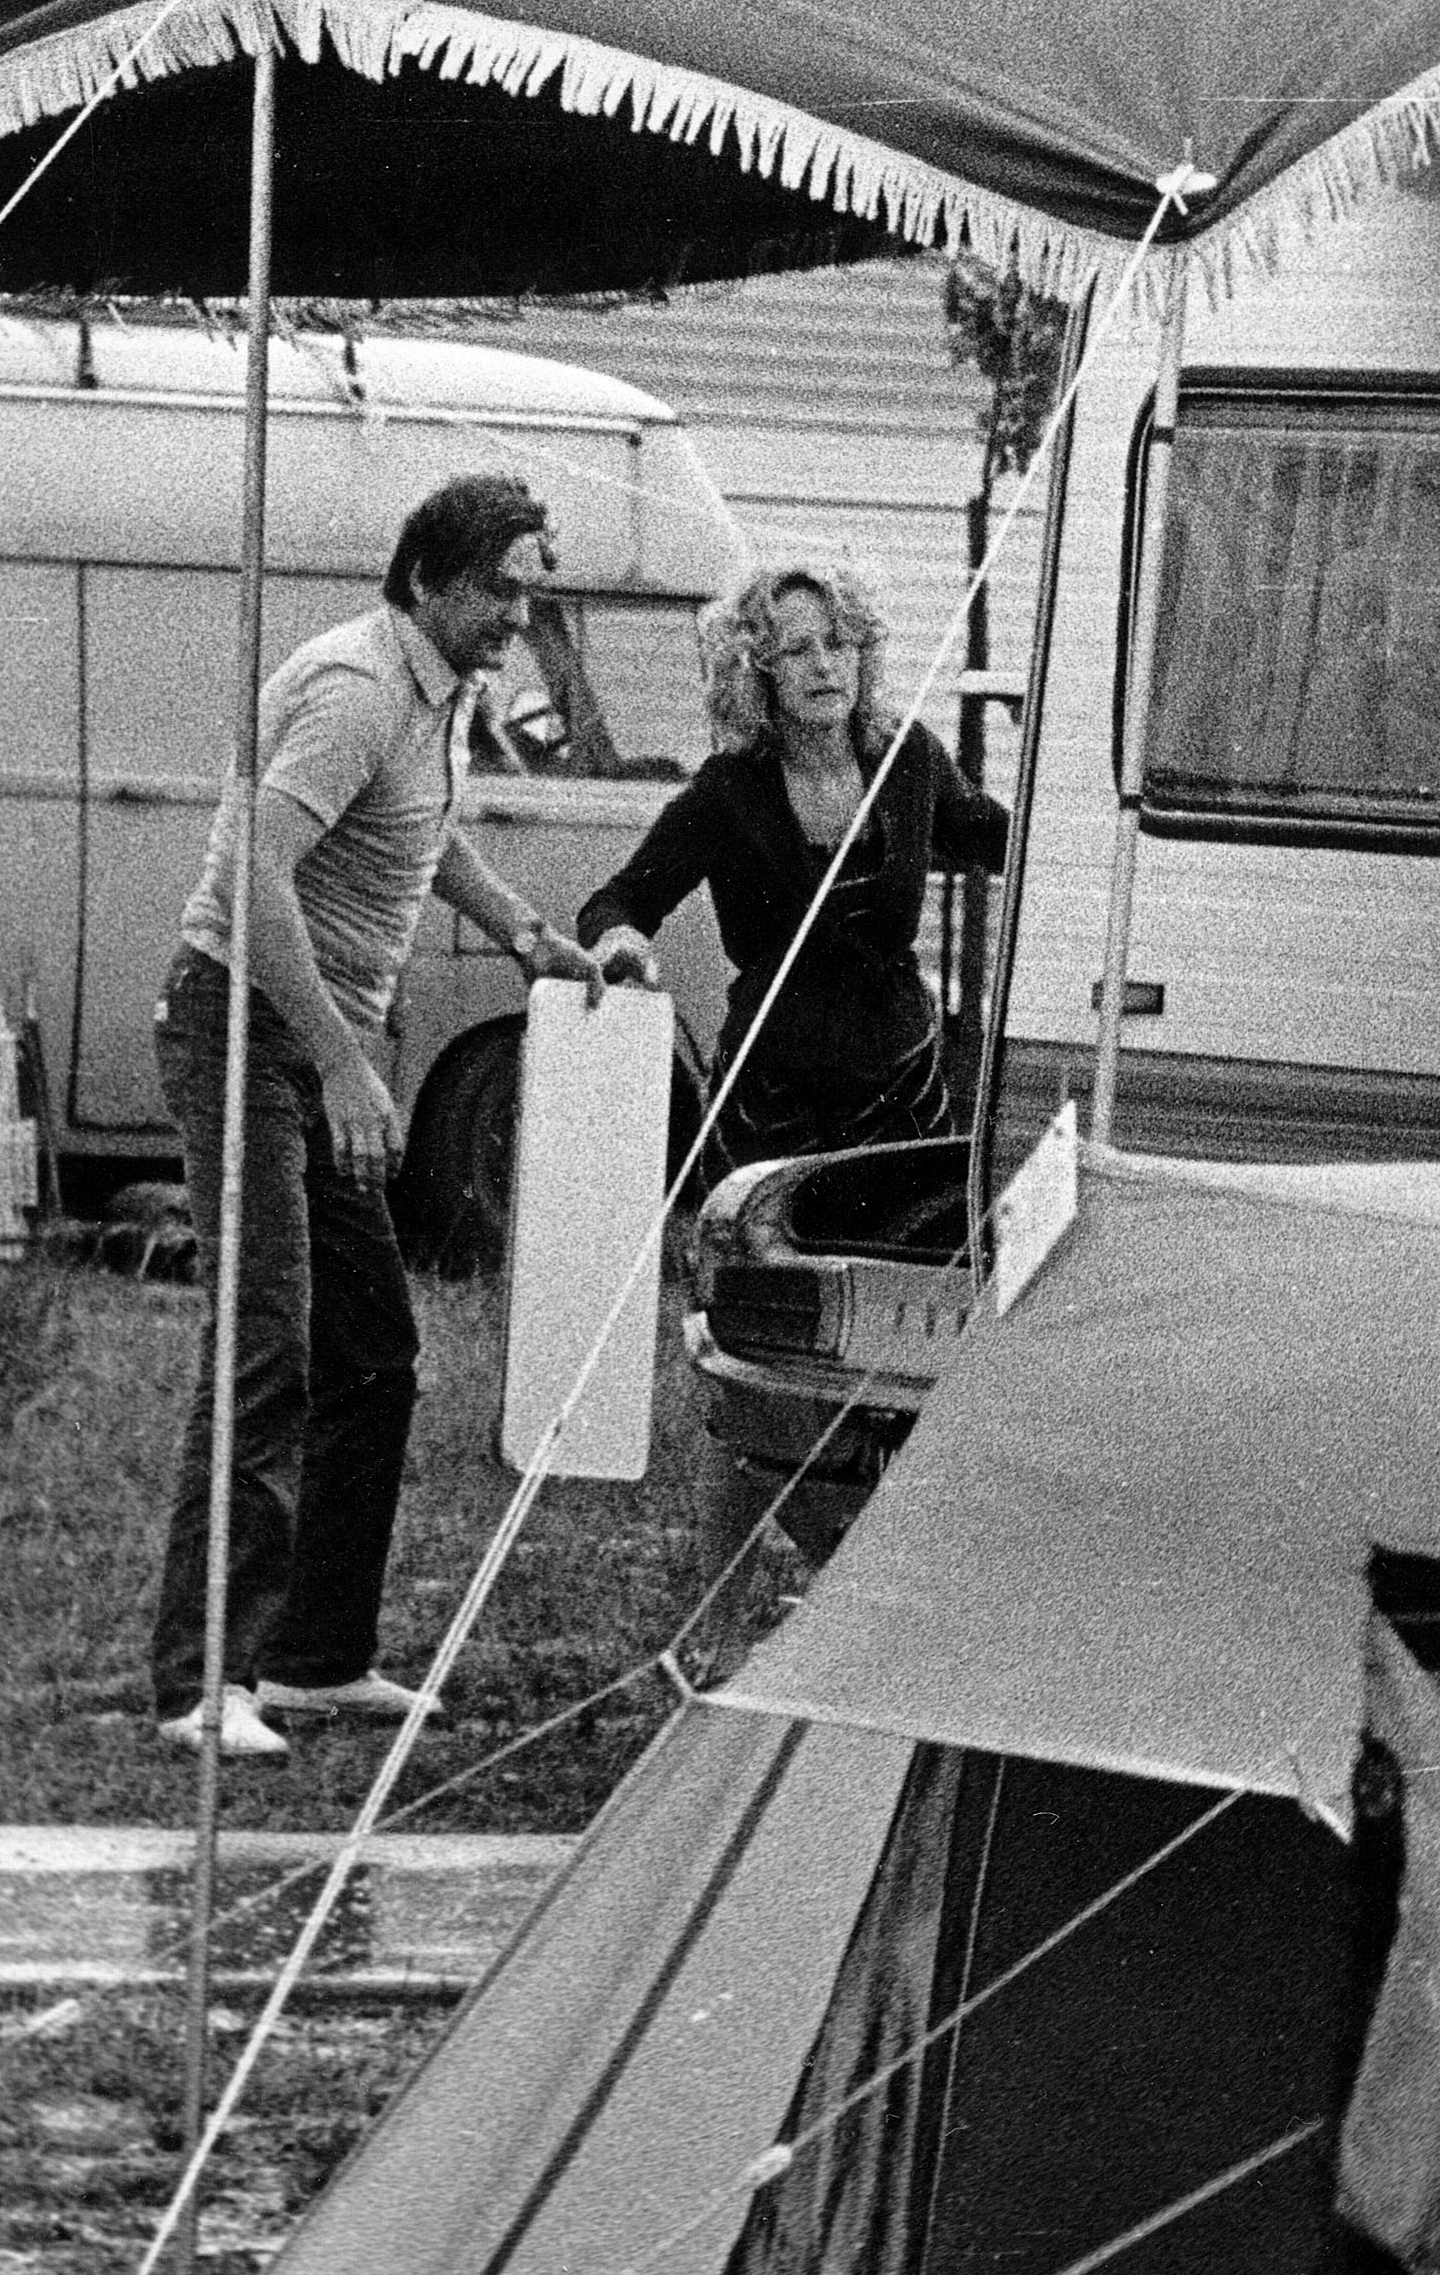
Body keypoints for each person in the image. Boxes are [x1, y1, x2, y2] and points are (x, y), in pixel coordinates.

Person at [145, 470, 651, 1757]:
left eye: (531, 597)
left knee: (372, 1355)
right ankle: (203, 1683)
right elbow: (253, 874)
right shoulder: (361, 690)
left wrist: (532, 938)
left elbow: (427, 844)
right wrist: (340, 1062)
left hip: (310, 1039)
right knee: (266, 1342)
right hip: (242, 1023)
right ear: (427, 579)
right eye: (497, 591)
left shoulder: (439, 692)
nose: (515, 620)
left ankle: (315, 1660)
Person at [577, 555, 1007, 1167]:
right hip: (773, 1094)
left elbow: (996, 839)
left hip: (902, 1081)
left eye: (839, 644)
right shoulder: (730, 788)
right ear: (760, 671)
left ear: (864, 655)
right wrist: (619, 937)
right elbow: (615, 902)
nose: (825, 665)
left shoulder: (908, 756)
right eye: (797, 650)